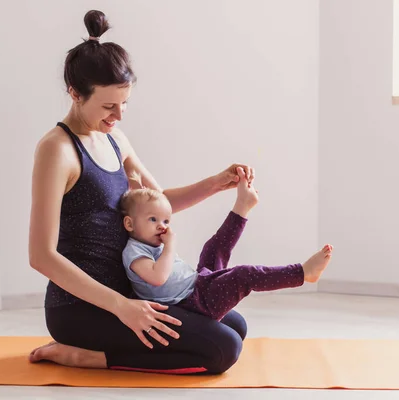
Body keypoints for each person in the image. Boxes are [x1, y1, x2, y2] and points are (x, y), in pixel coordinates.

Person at [28, 10, 259, 374]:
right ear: (74, 93)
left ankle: (109, 345)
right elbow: (41, 256)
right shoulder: (56, 149)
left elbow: (157, 204)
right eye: (108, 106)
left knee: (235, 326)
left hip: (133, 293)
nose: (118, 115)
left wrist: (217, 183)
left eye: (124, 104)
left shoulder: (115, 137)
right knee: (223, 349)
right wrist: (121, 306)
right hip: (81, 308)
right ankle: (90, 356)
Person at [120, 170, 333, 321]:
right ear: (129, 224)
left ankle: (243, 206)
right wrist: (170, 246)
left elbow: (143, 208)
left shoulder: (149, 240)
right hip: (194, 303)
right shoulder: (135, 253)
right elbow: (158, 278)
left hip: (198, 283)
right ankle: (302, 274)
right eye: (153, 220)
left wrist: (137, 185)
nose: (162, 227)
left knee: (212, 249)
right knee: (244, 275)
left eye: (166, 221)